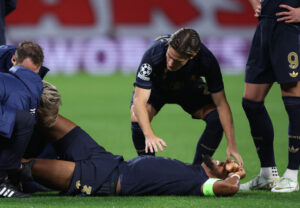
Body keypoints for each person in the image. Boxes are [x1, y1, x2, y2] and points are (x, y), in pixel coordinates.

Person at [21, 82, 246, 197]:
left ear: (217, 177)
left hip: (103, 181)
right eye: (222, 161)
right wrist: (228, 170)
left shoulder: (201, 184)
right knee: (48, 115)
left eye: (221, 165)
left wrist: (235, 174)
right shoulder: (194, 170)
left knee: (30, 166)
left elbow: (230, 189)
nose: (218, 161)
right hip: (108, 160)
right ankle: (15, 101)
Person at [130, 28, 243, 166]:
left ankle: (197, 171)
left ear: (192, 57)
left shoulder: (206, 60)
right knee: (137, 116)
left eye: (177, 61)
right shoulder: (153, 53)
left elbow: (221, 104)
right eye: (169, 56)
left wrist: (232, 145)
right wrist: (149, 135)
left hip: (188, 89)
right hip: (156, 89)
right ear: (168, 46)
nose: (170, 63)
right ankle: (149, 169)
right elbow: (139, 100)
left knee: (216, 118)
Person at [240, 0, 300, 192]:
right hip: (265, 25)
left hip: (290, 28)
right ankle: (268, 174)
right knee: (251, 102)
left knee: (294, 103)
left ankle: (292, 174)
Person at [0, 41, 44, 198]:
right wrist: (14, 168)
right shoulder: (30, 88)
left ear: (14, 59)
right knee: (24, 120)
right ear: (39, 68)